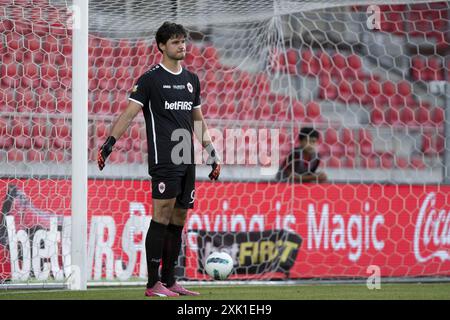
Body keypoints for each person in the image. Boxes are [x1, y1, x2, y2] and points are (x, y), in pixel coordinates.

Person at [97, 22, 221, 297]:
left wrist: (212, 154)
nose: (182, 46)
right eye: (176, 42)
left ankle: (170, 279)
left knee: (179, 218)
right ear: (162, 46)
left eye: (183, 41)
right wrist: (109, 144)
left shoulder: (191, 79)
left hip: (186, 157)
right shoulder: (150, 79)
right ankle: (153, 283)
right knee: (161, 215)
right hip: (164, 158)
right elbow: (129, 113)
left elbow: (197, 120)